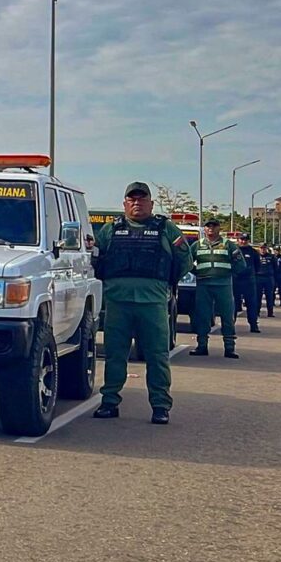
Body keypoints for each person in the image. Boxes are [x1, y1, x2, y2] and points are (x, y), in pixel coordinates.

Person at [92, 182, 191, 424]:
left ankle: (160, 406)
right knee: (115, 355)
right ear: (124, 204)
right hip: (118, 303)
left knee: (157, 356)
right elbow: (96, 260)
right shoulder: (110, 230)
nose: (137, 203)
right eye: (132, 199)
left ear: (151, 203)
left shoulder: (165, 228)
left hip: (152, 304)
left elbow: (185, 260)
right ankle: (109, 402)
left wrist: (165, 283)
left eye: (142, 198)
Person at [189, 218, 246, 358]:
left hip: (223, 285)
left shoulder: (228, 245)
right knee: (202, 316)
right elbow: (187, 261)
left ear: (219, 228)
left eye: (214, 226)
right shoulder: (197, 245)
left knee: (227, 316)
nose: (211, 228)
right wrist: (197, 272)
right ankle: (202, 346)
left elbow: (241, 264)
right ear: (204, 229)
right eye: (208, 226)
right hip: (204, 285)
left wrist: (228, 274)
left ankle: (229, 348)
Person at [233, 233, 260, 332]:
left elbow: (257, 266)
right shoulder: (233, 251)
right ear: (238, 240)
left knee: (251, 304)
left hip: (249, 281)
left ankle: (253, 325)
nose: (243, 241)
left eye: (246, 240)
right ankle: (230, 325)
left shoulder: (253, 252)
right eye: (242, 239)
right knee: (233, 304)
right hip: (235, 281)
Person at [255, 242, 276, 317]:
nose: (262, 250)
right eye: (261, 248)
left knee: (269, 296)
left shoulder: (271, 257)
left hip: (269, 278)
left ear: (266, 248)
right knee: (258, 296)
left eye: (264, 248)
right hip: (258, 278)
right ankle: (257, 312)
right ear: (259, 248)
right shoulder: (256, 256)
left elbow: (275, 267)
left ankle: (270, 312)